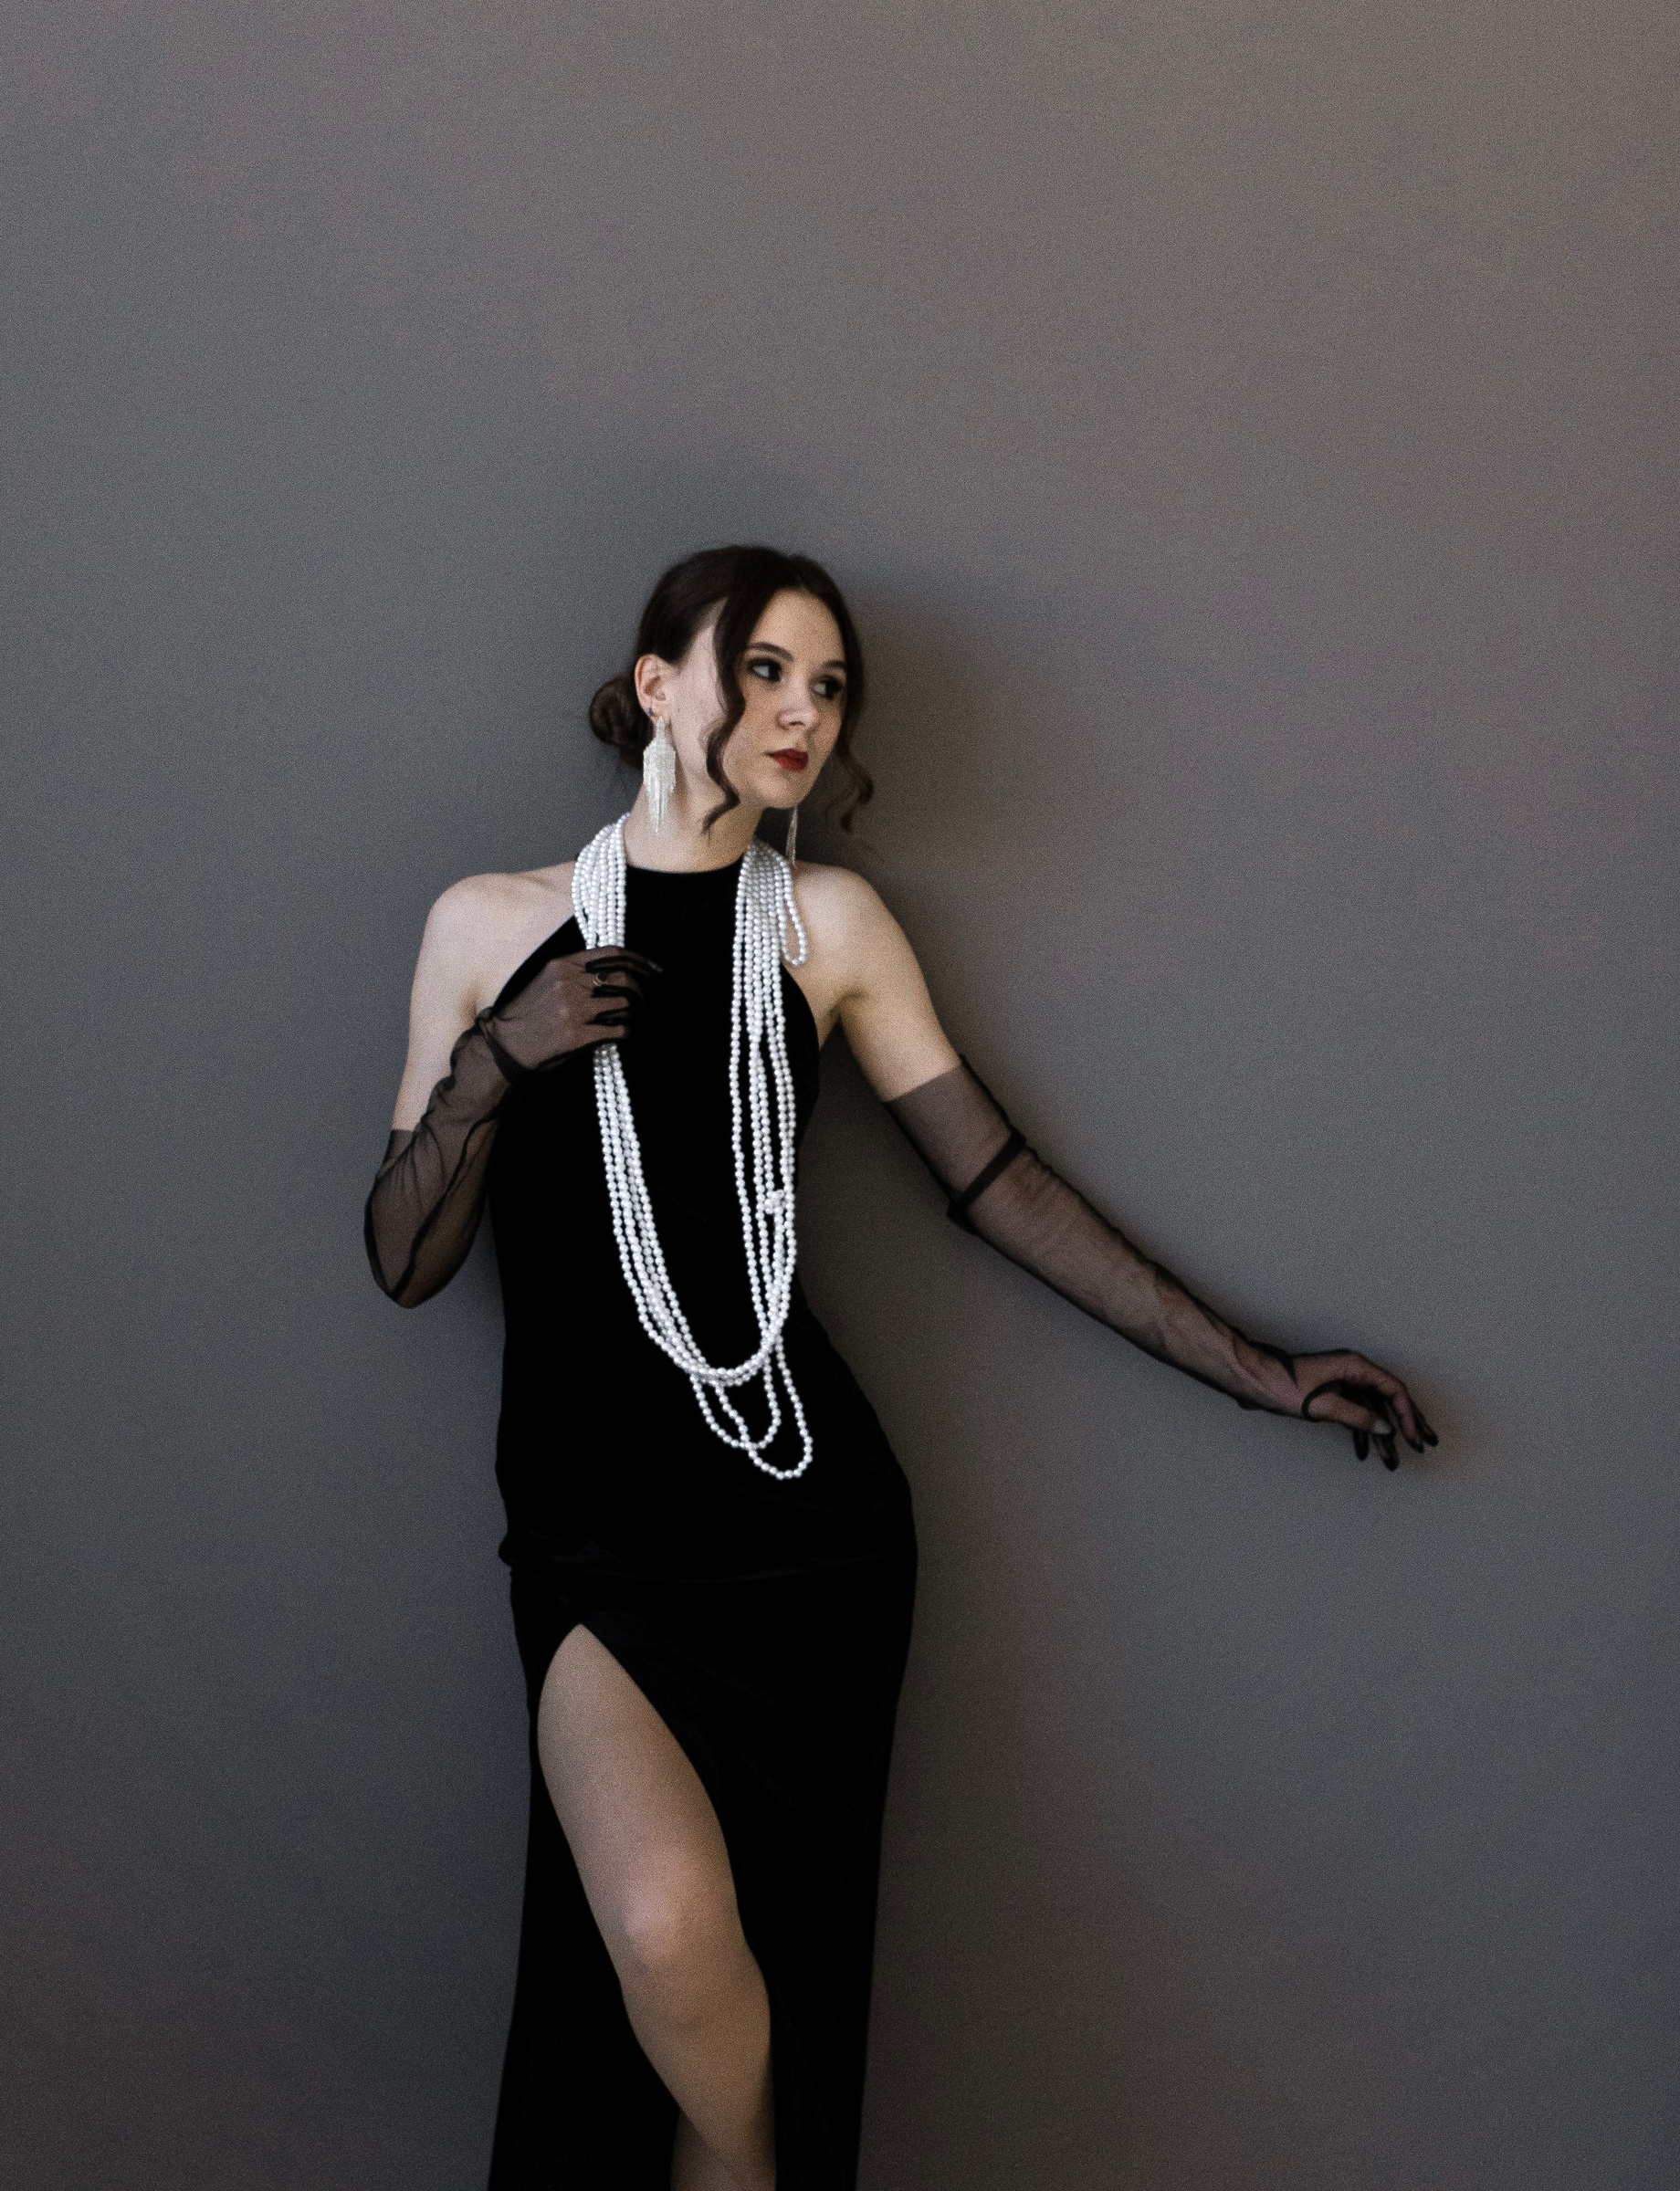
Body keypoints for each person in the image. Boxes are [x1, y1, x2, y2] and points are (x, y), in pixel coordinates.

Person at [363, 544, 1436, 2191]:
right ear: (658, 686)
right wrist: (504, 1052)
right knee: (661, 1934)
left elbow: (999, 1187)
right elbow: (403, 1260)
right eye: (765, 670)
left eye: (829, 685)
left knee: (769, 1967)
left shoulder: (829, 926)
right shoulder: (487, 924)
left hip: (809, 1539)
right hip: (591, 1536)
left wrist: (1261, 1371)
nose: (804, 712)